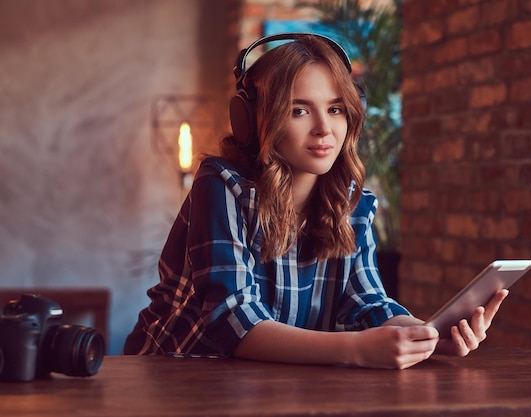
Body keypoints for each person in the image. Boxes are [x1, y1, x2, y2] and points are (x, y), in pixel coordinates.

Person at [123, 33, 508, 369]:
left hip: (273, 384)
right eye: (299, 110)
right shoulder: (221, 185)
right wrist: (356, 350)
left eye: (336, 108)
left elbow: (367, 303)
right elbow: (233, 320)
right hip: (176, 375)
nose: (325, 128)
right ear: (252, 119)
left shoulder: (354, 204)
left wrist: (427, 336)